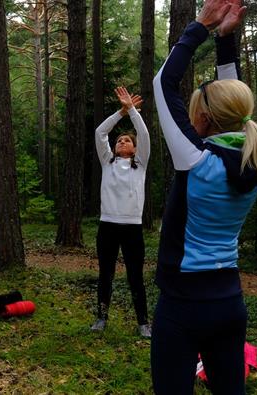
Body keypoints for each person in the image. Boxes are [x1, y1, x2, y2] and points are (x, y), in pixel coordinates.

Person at [150, 0, 257, 393]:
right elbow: (233, 102)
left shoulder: (196, 160)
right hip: (229, 303)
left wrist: (201, 25)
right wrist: (226, 42)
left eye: (196, 113)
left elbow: (163, 83)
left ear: (204, 120)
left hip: (182, 306)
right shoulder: (252, 158)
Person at [90, 87, 152, 338]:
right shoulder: (107, 162)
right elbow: (100, 132)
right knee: (106, 273)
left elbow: (144, 134)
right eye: (119, 140)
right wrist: (121, 112)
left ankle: (143, 323)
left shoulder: (141, 164)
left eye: (126, 140)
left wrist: (133, 112)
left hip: (132, 228)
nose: (121, 142)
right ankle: (101, 318)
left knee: (135, 276)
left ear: (135, 149)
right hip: (108, 226)